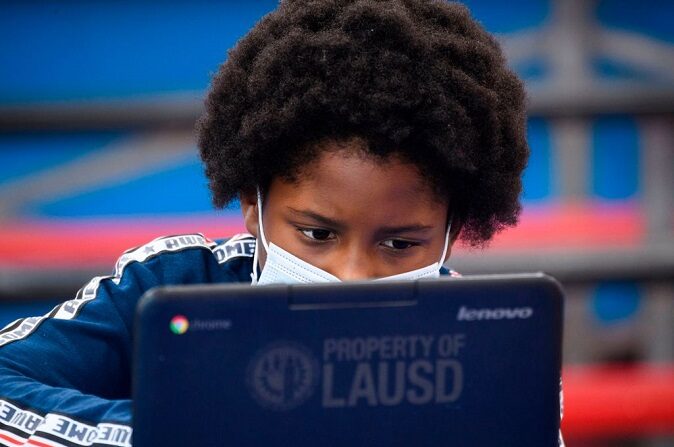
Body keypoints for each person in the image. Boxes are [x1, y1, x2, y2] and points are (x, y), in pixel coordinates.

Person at [0, 1, 532, 446]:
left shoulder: (489, 338)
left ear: (451, 229)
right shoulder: (171, 286)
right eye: (317, 234)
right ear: (252, 202)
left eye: (399, 243)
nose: (351, 276)